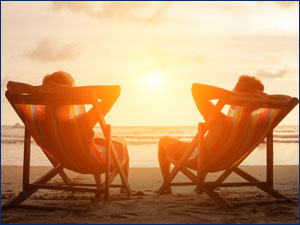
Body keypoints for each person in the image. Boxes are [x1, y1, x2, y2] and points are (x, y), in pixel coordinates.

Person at [158, 75, 292, 194]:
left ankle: (167, 186)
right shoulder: (259, 123)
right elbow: (290, 99)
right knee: (210, 143)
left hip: (204, 161)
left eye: (234, 91)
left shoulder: (220, 120)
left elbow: (196, 89)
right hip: (229, 161)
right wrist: (265, 98)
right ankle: (198, 187)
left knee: (164, 140)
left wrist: (233, 96)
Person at [7, 71, 129, 188]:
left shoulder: (39, 121)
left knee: (96, 141)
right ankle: (125, 185)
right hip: (92, 163)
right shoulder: (81, 121)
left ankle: (98, 183)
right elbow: (115, 91)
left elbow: (10, 87)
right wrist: (70, 91)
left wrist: (36, 89)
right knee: (121, 141)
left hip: (66, 160)